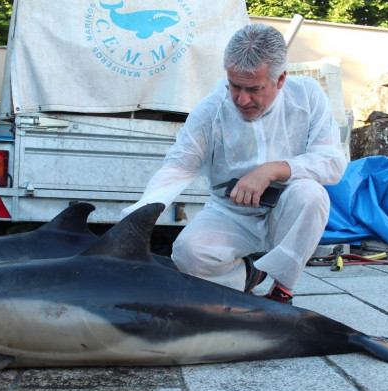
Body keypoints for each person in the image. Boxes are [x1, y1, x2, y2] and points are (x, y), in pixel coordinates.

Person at [121, 23, 346, 304]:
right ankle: (248, 277)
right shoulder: (213, 106)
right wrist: (135, 219)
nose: (241, 99)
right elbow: (179, 165)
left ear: (280, 80)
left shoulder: (308, 96)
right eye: (234, 86)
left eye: (253, 89)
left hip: (287, 206)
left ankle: (282, 289)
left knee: (312, 195)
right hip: (231, 213)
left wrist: (272, 169)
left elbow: (333, 161)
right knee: (188, 253)